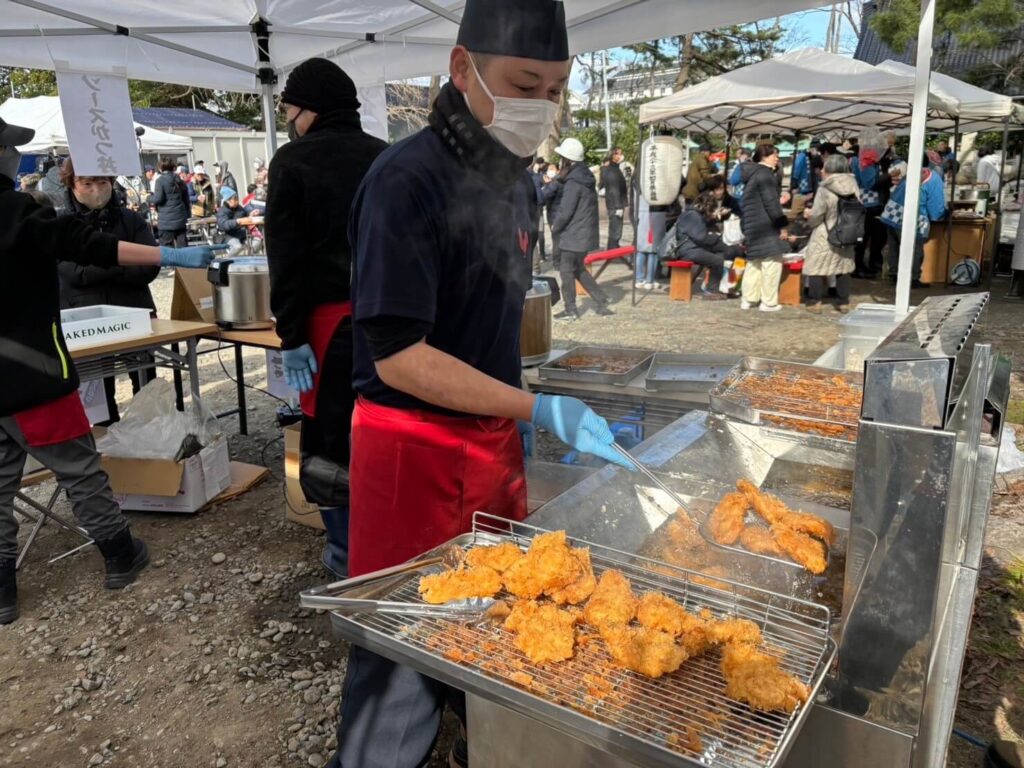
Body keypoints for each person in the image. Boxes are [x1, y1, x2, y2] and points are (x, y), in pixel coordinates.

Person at [337, 3, 632, 766]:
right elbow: (399, 356)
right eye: (525, 85)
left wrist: (531, 397)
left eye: (556, 90)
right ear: (462, 67)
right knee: (406, 639)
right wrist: (538, 406)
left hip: (491, 438)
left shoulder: (517, 180)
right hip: (412, 449)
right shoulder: (405, 181)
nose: (542, 106)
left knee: (498, 623)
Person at [0, 116, 222, 625]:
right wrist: (169, 253)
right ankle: (120, 553)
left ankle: (3, 590)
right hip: (33, 376)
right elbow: (87, 245)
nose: (14, 156)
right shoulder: (16, 213)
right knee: (80, 470)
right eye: (8, 147)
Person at [265, 57, 388, 580]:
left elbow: (285, 256)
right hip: (390, 323)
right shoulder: (385, 156)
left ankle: (346, 555)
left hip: (327, 326)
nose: (290, 120)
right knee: (386, 428)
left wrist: (290, 333)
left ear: (309, 109)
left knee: (332, 439)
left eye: (290, 111)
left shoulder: (293, 161)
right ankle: (391, 542)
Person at [55, 158, 159, 423]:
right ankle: (107, 438)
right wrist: (122, 261)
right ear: (72, 184)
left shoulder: (131, 219)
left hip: (134, 314)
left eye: (102, 182)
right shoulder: (60, 223)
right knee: (98, 394)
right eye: (87, 184)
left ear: (112, 182)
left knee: (146, 382)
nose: (96, 190)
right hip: (86, 320)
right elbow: (73, 273)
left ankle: (150, 434)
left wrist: (99, 266)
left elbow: (149, 265)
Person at [551, 137, 613, 320]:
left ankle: (570, 310)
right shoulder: (585, 177)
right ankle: (601, 298)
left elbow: (566, 211)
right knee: (578, 269)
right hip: (585, 233)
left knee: (566, 272)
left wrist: (555, 227)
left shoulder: (573, 182)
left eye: (562, 158)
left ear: (568, 160)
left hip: (573, 234)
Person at [802, 154, 859, 313]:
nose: (821, 170)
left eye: (824, 167)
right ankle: (843, 302)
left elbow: (818, 213)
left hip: (825, 230)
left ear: (829, 169)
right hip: (846, 230)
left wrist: (809, 217)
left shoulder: (824, 188)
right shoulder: (853, 184)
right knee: (843, 266)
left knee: (815, 265)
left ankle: (814, 301)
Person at [881, 155, 948, 287]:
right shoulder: (933, 178)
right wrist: (943, 214)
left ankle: (894, 275)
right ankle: (912, 278)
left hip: (891, 213)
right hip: (912, 217)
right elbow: (936, 209)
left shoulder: (910, 174)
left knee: (894, 247)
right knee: (914, 250)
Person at [738, 144, 789, 312]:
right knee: (771, 263)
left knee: (754, 264)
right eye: (775, 155)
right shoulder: (766, 175)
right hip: (766, 225)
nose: (777, 158)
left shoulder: (752, 175)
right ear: (765, 157)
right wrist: (782, 225)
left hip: (752, 225)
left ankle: (748, 299)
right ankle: (768, 302)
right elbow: (772, 204)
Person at [674, 189, 742, 300]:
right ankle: (711, 290)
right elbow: (701, 237)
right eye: (711, 210)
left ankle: (719, 286)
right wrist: (716, 237)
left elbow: (702, 229)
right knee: (718, 260)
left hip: (692, 248)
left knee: (722, 253)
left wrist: (716, 217)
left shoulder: (694, 214)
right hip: (688, 250)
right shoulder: (693, 216)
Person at [850, 144, 888, 277]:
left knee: (866, 236)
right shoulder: (866, 163)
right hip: (868, 203)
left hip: (866, 203)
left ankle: (860, 265)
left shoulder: (860, 161)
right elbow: (870, 183)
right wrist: (888, 176)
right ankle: (858, 267)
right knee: (864, 236)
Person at [630, 170, 667, 290]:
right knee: (653, 250)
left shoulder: (636, 177)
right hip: (654, 213)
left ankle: (639, 278)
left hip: (640, 213)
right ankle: (649, 280)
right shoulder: (655, 175)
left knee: (641, 249)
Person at [149, 158, 191, 247]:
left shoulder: (160, 181)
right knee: (183, 247)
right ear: (173, 167)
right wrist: (187, 215)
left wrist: (148, 198)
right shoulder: (179, 180)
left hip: (166, 221)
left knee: (167, 248)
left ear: (160, 168)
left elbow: (158, 199)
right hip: (180, 219)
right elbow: (186, 201)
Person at [599, 146, 628, 249]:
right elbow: (613, 189)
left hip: (615, 204)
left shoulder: (614, 168)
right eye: (619, 153)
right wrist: (618, 206)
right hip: (615, 205)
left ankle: (614, 249)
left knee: (616, 230)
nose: (621, 156)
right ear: (613, 155)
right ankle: (613, 251)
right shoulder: (612, 170)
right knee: (615, 231)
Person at [542, 162, 562, 268]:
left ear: (557, 170)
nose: (550, 171)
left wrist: (546, 184)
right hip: (558, 213)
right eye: (549, 169)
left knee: (556, 239)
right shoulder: (561, 180)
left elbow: (545, 195)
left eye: (552, 169)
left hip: (555, 215)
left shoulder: (555, 182)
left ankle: (557, 262)